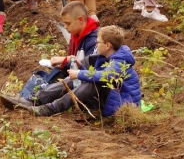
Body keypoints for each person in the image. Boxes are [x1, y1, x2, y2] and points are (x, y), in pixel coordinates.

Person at [9, 25, 141, 118]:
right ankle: (35, 100)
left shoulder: (120, 61)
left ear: (107, 45)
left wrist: (79, 74)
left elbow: (104, 76)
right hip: (109, 98)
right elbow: (97, 75)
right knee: (77, 79)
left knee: (89, 82)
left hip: (118, 104)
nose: (96, 44)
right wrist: (81, 68)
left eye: (98, 42)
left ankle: (51, 108)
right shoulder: (108, 57)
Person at [0, 1, 99, 107]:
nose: (65, 27)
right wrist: (63, 63)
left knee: (68, 80)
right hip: (79, 79)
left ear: (80, 20)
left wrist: (66, 60)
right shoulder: (76, 36)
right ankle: (26, 97)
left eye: (68, 23)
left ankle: (34, 101)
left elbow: (88, 70)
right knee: (50, 74)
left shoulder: (95, 40)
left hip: (90, 87)